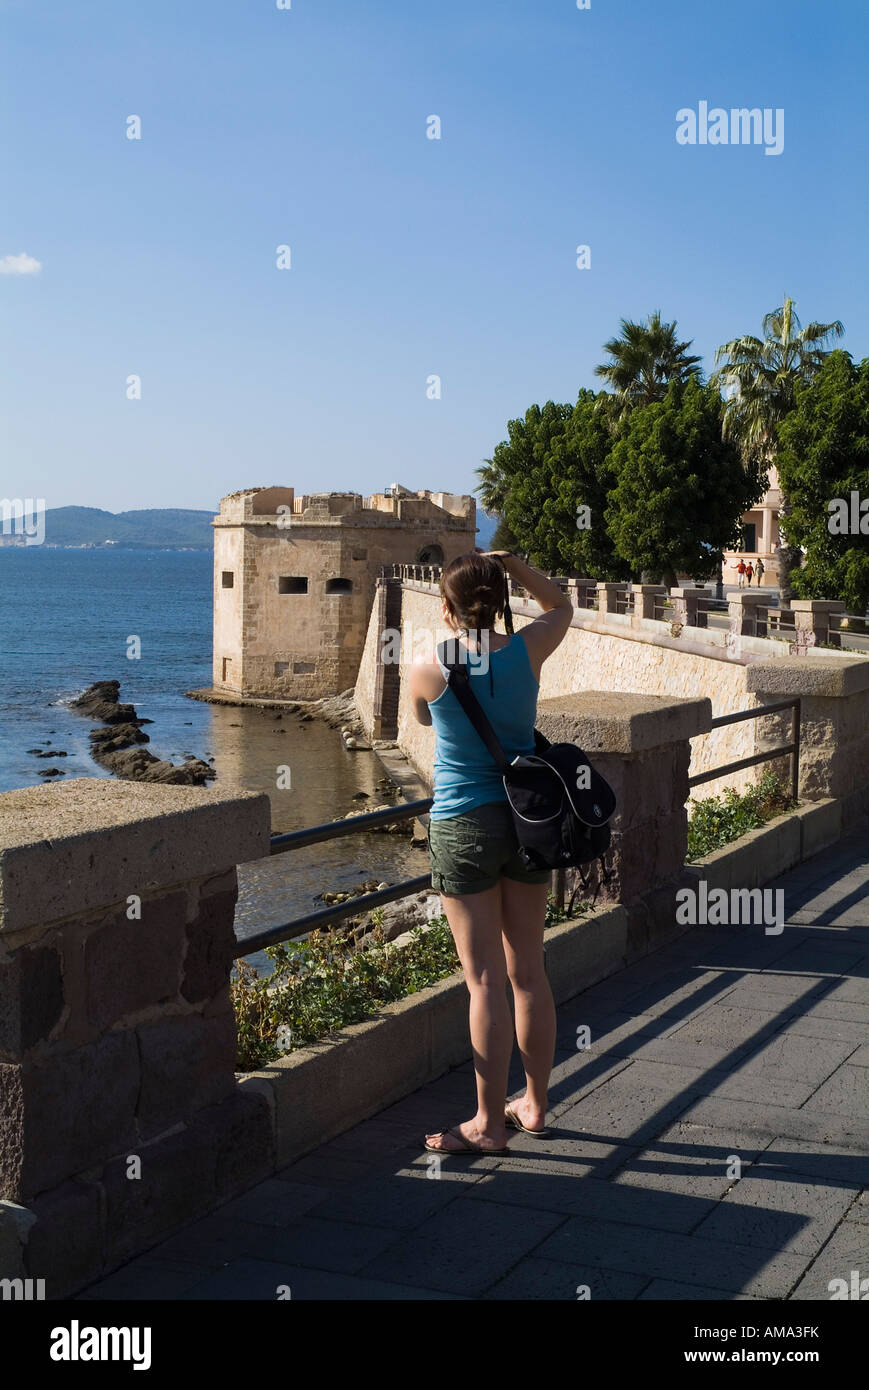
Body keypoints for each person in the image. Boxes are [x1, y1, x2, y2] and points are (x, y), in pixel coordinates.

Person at [409, 550, 572, 1155]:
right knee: (528, 971)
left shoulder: (429, 661)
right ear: (501, 596)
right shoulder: (528, 649)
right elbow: (561, 604)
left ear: (446, 607)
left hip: (463, 822)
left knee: (482, 982)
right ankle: (533, 1103)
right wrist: (519, 563)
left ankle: (486, 1123)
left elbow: (421, 719)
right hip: (528, 820)